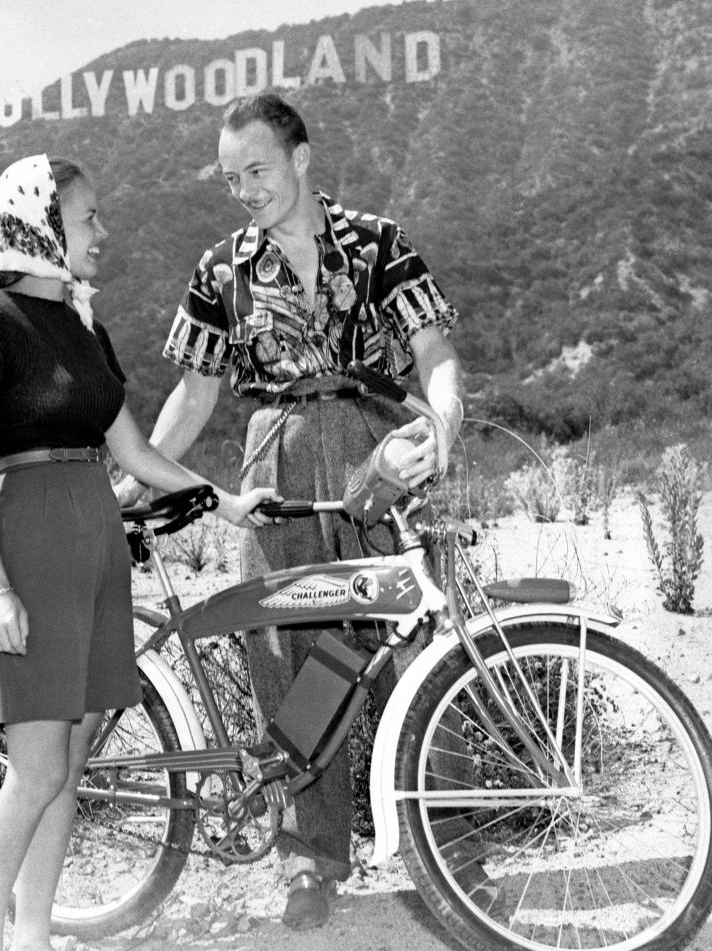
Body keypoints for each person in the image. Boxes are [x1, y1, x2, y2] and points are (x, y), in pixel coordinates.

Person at [115, 93, 469, 930]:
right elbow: (195, 394)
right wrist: (139, 478)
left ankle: (450, 844)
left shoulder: (380, 243)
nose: (244, 190)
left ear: (301, 158)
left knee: (416, 636)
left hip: (379, 449)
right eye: (231, 177)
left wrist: (444, 426)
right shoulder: (221, 269)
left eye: (258, 170)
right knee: (290, 653)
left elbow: (436, 352)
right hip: (275, 460)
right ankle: (309, 860)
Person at [0, 153, 276, 951]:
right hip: (31, 536)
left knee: (67, 767)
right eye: (89, 216)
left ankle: (32, 939)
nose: (104, 231)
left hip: (98, 540)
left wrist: (225, 501)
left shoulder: (86, 326)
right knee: (34, 773)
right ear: (41, 223)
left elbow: (131, 450)